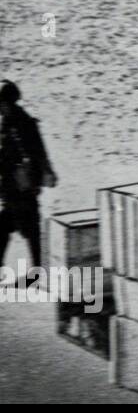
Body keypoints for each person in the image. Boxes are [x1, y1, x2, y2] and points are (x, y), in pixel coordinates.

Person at [0, 80, 57, 279]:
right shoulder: (14, 121)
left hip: (20, 189)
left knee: (25, 229)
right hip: (18, 189)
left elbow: (30, 154)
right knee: (11, 228)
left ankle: (39, 272)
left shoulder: (17, 125)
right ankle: (38, 271)